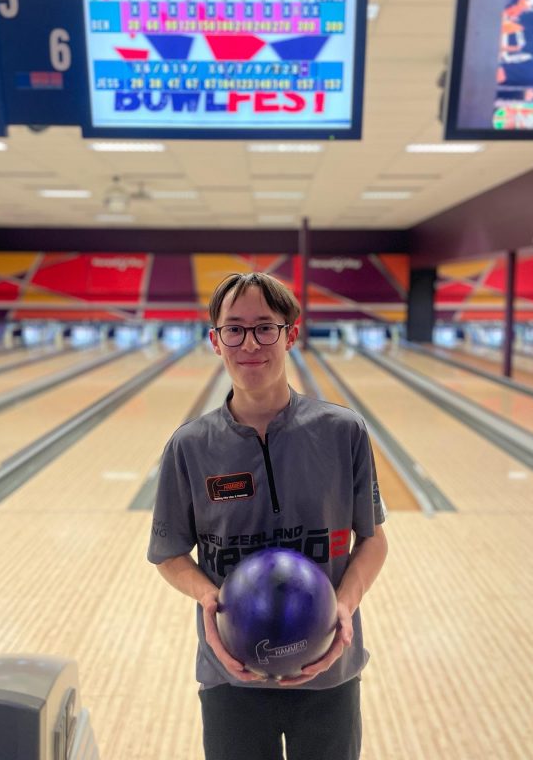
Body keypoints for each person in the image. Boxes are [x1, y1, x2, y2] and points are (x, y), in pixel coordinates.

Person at [148, 271, 388, 760]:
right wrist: (208, 598)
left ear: (290, 334)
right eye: (233, 329)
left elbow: (373, 540)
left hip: (329, 676)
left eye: (265, 327)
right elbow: (169, 553)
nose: (249, 342)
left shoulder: (344, 432)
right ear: (215, 340)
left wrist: (344, 604)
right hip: (229, 676)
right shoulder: (189, 446)